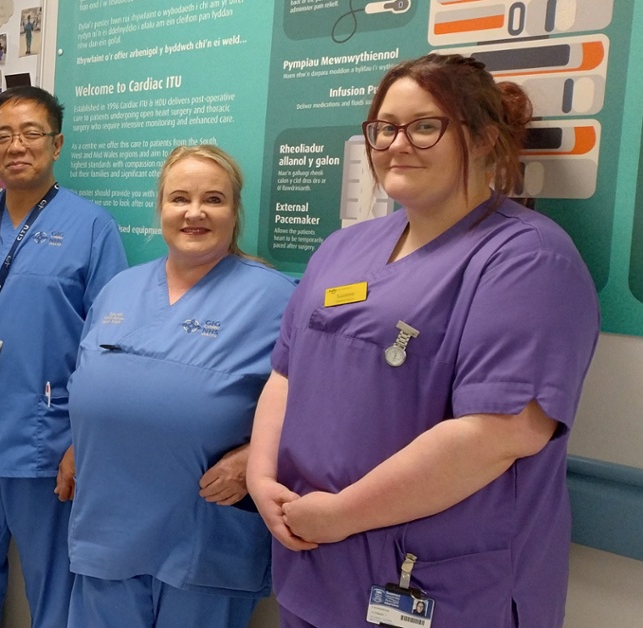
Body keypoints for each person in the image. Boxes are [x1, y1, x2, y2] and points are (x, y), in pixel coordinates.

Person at [245, 53, 600, 627]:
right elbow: (287, 374)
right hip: (312, 563)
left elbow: (500, 432)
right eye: (384, 127)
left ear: (485, 139)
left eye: (425, 126)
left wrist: (338, 516)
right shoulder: (343, 249)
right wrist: (262, 482)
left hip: (434, 584)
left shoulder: (527, 259)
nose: (396, 144)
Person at [0, 85, 126, 628]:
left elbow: (106, 348)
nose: (16, 146)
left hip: (48, 441)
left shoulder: (92, 226)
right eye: (3, 135)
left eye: (31, 133)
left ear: (56, 144)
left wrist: (84, 445)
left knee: (54, 592)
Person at [65, 145, 293, 628]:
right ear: (161, 209)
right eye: (179, 198)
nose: (194, 212)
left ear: (235, 212)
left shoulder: (275, 298)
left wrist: (257, 455)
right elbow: (90, 382)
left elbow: (322, 405)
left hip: (203, 531)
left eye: (213, 199)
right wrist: (76, 444)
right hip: (110, 523)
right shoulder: (120, 288)